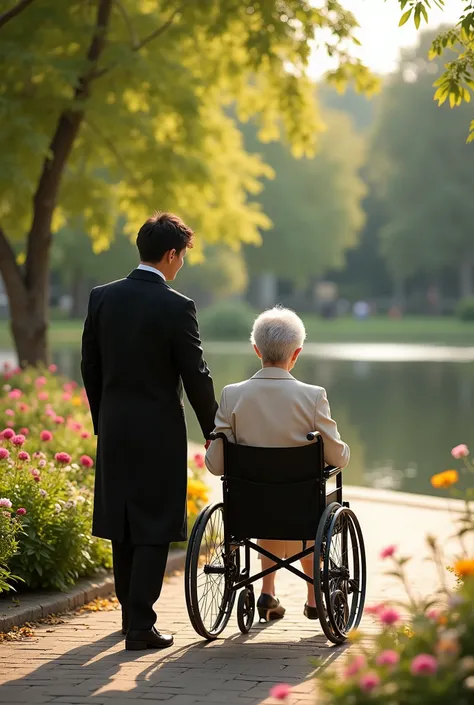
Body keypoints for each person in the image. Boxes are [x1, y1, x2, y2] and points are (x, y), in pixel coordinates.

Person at [81, 212, 217, 651]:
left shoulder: (101, 298)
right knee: (155, 522)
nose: (181, 266)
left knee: (123, 520)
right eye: (182, 258)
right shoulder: (177, 306)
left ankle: (130, 615)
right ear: (171, 254)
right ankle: (141, 624)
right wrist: (214, 428)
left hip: (116, 426)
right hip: (159, 429)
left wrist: (104, 416)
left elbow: (90, 366)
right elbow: (195, 374)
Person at [205, 306, 349, 621]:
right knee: (309, 503)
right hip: (300, 507)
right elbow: (337, 457)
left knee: (265, 498)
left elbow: (216, 465)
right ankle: (314, 598)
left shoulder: (232, 395)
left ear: (256, 350)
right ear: (296, 353)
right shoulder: (312, 396)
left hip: (250, 508)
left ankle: (267, 592)